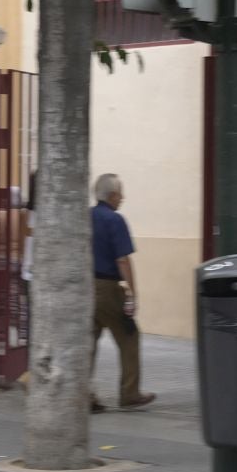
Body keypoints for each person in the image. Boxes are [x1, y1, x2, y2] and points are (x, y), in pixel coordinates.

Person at [90, 173, 153, 412]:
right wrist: (133, 294)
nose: (123, 198)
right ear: (113, 195)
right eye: (121, 193)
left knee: (87, 341)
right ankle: (129, 393)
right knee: (129, 336)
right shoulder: (115, 220)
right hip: (107, 288)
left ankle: (83, 394)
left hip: (86, 286)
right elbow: (123, 260)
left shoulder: (86, 216)